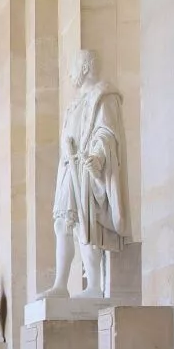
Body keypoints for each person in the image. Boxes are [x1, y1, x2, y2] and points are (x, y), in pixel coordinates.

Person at [41, 49, 130, 298]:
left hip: (88, 167)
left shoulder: (103, 96)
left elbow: (107, 132)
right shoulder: (74, 104)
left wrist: (98, 157)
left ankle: (93, 285)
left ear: (84, 67)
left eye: (72, 68)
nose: (70, 74)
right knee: (62, 223)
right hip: (69, 167)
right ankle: (60, 284)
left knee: (85, 222)